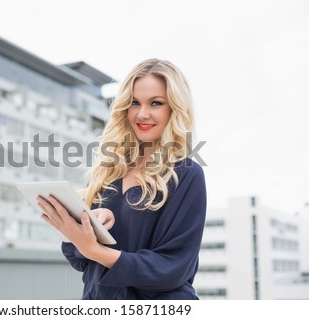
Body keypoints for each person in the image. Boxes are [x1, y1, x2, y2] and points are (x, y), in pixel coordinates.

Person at [37, 58, 207, 299]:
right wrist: (86, 229)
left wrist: (93, 249)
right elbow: (81, 262)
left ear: (174, 109)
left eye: (156, 103)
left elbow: (171, 269)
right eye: (134, 103)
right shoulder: (108, 169)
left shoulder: (186, 173)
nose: (142, 113)